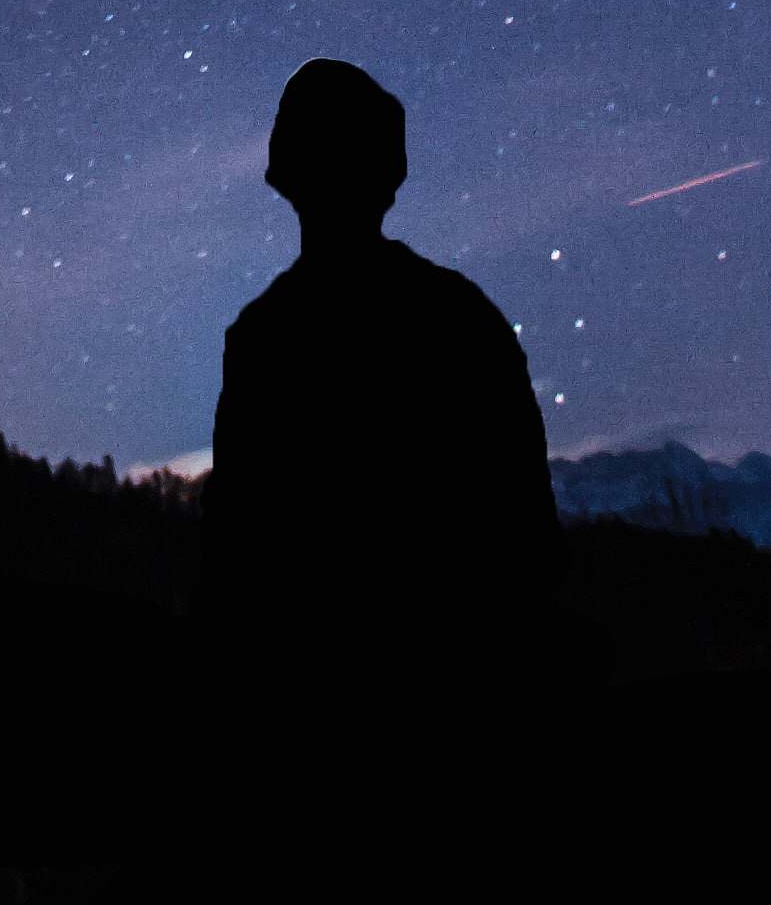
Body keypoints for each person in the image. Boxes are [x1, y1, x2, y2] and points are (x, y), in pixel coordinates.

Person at [202, 59, 562, 686]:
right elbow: (524, 531)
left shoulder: (264, 337)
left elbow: (236, 555)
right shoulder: (459, 317)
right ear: (388, 175)